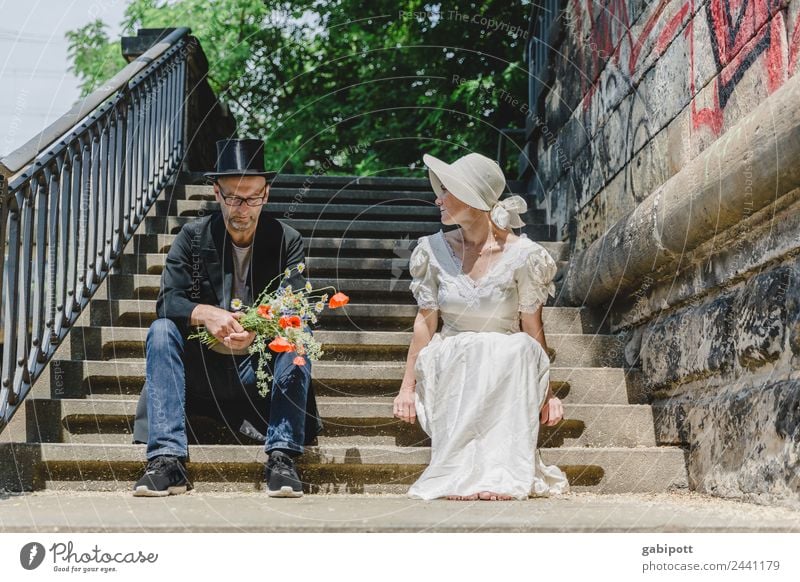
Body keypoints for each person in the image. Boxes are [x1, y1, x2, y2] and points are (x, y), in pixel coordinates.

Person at [131, 138, 322, 498]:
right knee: (160, 330)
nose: (241, 207)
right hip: (202, 370)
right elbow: (167, 301)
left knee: (299, 332)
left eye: (251, 197)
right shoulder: (192, 236)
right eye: (232, 196)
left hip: (259, 370)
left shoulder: (287, 239)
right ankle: (166, 461)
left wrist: (257, 325)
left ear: (265, 195)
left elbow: (294, 303)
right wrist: (204, 313)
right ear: (216, 193)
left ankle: (282, 457)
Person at [393, 151, 570, 501]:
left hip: (506, 359)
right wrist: (406, 388)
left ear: (474, 200)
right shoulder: (431, 250)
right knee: (468, 349)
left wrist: (547, 393)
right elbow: (425, 326)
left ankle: (500, 473)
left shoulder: (523, 255)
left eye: (447, 191)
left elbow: (532, 327)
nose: (437, 199)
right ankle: (459, 472)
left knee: (517, 347)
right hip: (453, 356)